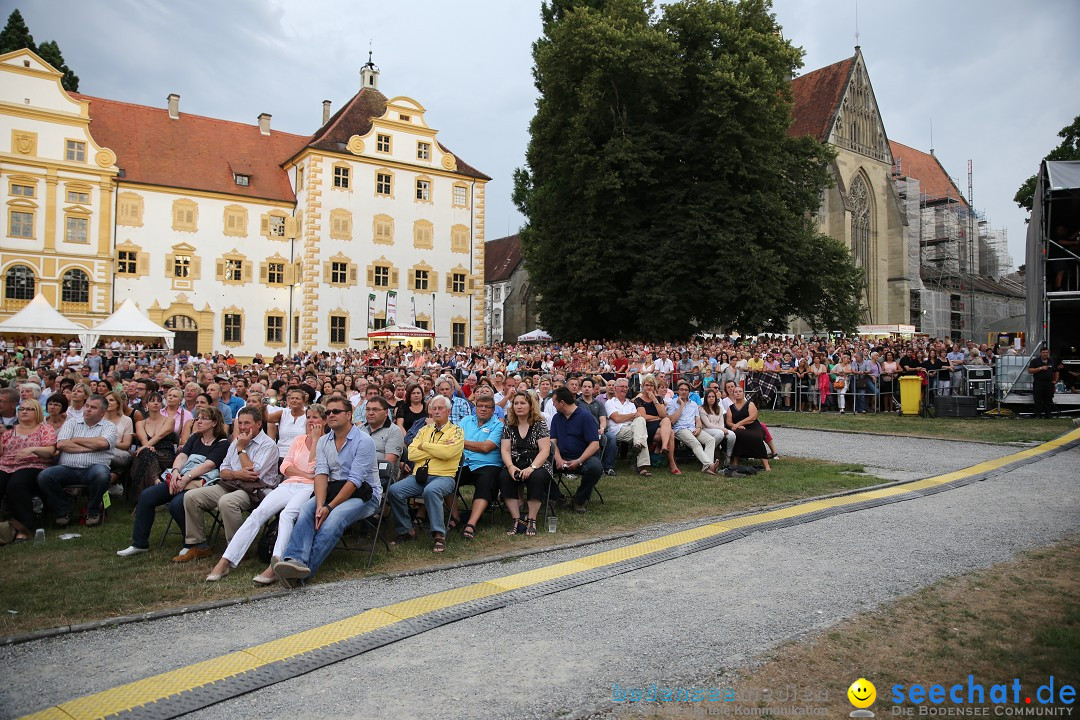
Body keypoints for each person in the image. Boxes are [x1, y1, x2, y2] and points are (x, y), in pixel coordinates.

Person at [206, 404, 328, 582]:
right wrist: (305, 473)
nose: (310, 421)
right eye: (308, 417)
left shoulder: (327, 442)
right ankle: (225, 561)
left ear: (324, 421)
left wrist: (316, 440)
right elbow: (285, 467)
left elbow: (315, 467)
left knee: (287, 515)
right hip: (289, 484)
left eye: (315, 417)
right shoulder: (298, 440)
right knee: (258, 513)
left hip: (310, 488)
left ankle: (275, 565)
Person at [271, 396, 383, 587]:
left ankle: (300, 575)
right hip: (334, 490)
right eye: (328, 412)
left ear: (349, 415)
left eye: (336, 411)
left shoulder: (363, 441)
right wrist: (320, 505)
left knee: (335, 518)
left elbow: (355, 481)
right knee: (307, 509)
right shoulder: (323, 441)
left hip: (365, 494)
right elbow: (321, 474)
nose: (330, 415)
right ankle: (293, 561)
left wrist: (329, 507)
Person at [117, 406, 229, 557]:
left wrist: (186, 478)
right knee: (147, 496)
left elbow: (209, 464)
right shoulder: (195, 438)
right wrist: (176, 472)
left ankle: (192, 543)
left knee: (177, 504)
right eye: (198, 418)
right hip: (181, 477)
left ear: (214, 423)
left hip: (201, 482)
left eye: (203, 418)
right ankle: (139, 543)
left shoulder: (222, 443)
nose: (199, 421)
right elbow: (182, 456)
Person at [177, 406, 280, 562]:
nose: (243, 427)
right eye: (240, 423)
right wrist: (237, 473)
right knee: (191, 497)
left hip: (256, 491)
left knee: (227, 502)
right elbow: (223, 470)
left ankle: (237, 549)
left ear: (259, 424)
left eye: (247, 423)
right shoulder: (237, 441)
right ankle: (198, 545)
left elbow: (254, 475)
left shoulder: (268, 445)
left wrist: (241, 449)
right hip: (231, 484)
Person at [388, 395, 465, 553]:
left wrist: (424, 446)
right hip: (419, 477)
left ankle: (439, 534)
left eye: (440, 408)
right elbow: (412, 454)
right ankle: (406, 530)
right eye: (433, 408)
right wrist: (437, 448)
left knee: (432, 490)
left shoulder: (456, 431)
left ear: (448, 411)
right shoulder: (424, 429)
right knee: (394, 491)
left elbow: (449, 453)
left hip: (444, 477)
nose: (436, 412)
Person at [36, 393, 116, 527]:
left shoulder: (109, 427)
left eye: (93, 408)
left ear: (102, 412)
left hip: (94, 468)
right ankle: (63, 510)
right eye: (87, 406)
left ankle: (93, 510)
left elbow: (102, 444)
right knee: (44, 476)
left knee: (102, 475)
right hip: (67, 468)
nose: (88, 409)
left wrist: (75, 440)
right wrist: (91, 447)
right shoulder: (72, 422)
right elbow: (61, 444)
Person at [0, 399, 56, 542]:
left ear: (37, 411)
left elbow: (50, 451)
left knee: (16, 485)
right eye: (21, 409)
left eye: (29, 409)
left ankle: (24, 528)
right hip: (5, 464)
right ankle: (5, 527)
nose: (24, 411)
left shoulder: (45, 429)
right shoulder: (9, 431)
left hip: (33, 464)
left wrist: (32, 449)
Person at [498, 391, 551, 536]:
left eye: (523, 403)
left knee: (537, 477)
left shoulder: (539, 424)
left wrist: (532, 468)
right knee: (505, 476)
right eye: (516, 403)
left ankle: (532, 519)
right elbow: (505, 450)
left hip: (537, 463)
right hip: (515, 462)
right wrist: (509, 466)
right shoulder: (509, 424)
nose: (519, 406)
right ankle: (517, 519)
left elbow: (545, 451)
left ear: (530, 405)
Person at [456, 393, 504, 538]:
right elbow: (453, 438)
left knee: (486, 481)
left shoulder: (498, 425)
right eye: (480, 406)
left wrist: (461, 443)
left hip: (487, 464)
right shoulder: (465, 421)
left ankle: (471, 523)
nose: (483, 409)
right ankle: (455, 519)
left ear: (493, 410)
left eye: (487, 407)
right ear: (475, 408)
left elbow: (486, 447)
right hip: (464, 463)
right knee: (447, 479)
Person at [549, 386, 603, 512]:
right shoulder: (557, 418)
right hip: (561, 456)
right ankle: (557, 497)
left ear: (562, 403)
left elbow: (594, 444)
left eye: (554, 402)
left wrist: (579, 461)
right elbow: (553, 442)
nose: (553, 405)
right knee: (539, 466)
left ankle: (579, 499)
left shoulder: (585, 416)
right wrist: (558, 459)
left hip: (583, 457)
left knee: (595, 467)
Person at [665, 380, 719, 475]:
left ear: (689, 392)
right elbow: (672, 421)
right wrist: (681, 405)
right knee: (696, 443)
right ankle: (709, 465)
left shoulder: (693, 404)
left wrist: (698, 428)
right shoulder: (672, 403)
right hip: (680, 429)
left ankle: (706, 466)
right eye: (681, 389)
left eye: (686, 390)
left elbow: (698, 419)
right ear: (678, 391)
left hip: (693, 428)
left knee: (710, 440)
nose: (684, 392)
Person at [602, 377, 650, 476]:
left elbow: (635, 418)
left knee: (640, 420)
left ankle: (637, 445)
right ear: (615, 388)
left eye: (626, 387)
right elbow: (617, 419)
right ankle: (642, 466)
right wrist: (632, 416)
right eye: (622, 387)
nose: (624, 389)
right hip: (618, 430)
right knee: (642, 435)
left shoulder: (631, 404)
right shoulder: (609, 403)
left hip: (632, 429)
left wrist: (631, 417)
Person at [634, 374, 676, 473]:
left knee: (666, 420)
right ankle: (672, 463)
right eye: (647, 385)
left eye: (651, 385)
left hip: (661, 425)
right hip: (647, 427)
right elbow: (643, 416)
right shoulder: (638, 400)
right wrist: (657, 418)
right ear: (643, 386)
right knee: (671, 433)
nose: (649, 387)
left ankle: (664, 447)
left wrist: (654, 399)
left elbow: (663, 414)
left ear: (654, 387)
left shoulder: (658, 399)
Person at [725, 385, 771, 471]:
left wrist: (738, 423)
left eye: (740, 391)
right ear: (733, 394)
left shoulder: (750, 404)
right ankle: (735, 461)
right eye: (736, 392)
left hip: (753, 427)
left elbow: (752, 417)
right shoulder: (730, 408)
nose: (738, 393)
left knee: (756, 437)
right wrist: (736, 426)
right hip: (739, 429)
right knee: (736, 435)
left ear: (743, 393)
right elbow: (728, 422)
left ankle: (766, 465)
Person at [269, 387, 308, 463]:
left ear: (303, 400)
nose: (294, 401)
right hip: (280, 455)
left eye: (297, 398)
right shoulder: (284, 412)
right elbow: (268, 418)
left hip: (299, 456)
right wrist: (263, 408)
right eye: (292, 398)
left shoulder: (308, 414)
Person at [699, 389, 735, 466]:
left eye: (713, 397)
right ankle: (708, 452)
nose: (711, 398)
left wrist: (723, 429)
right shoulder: (702, 409)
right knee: (720, 434)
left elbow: (721, 422)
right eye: (709, 397)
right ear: (706, 398)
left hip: (719, 429)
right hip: (706, 429)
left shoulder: (719, 408)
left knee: (732, 435)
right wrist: (722, 429)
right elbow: (708, 424)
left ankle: (728, 456)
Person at [1028, 347, 1057, 419]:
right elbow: (1030, 371)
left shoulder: (1051, 361)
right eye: (1043, 352)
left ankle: (1048, 414)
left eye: (1046, 352)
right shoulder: (1035, 361)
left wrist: (1055, 380)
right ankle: (1038, 414)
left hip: (1049, 383)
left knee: (1048, 399)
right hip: (1038, 382)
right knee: (1038, 399)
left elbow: (1056, 371)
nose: (1045, 354)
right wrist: (1040, 368)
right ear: (1040, 353)